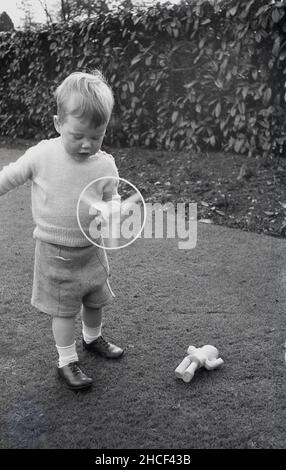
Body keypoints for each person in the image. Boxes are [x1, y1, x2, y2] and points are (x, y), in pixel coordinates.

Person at [0, 70, 124, 391]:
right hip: (55, 253)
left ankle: (92, 338)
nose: (87, 145)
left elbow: (112, 197)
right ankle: (66, 361)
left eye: (96, 137)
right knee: (64, 309)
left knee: (95, 300)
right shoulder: (43, 154)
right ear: (58, 124)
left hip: (92, 250)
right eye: (77, 135)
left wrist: (114, 209)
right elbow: (11, 176)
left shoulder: (105, 164)